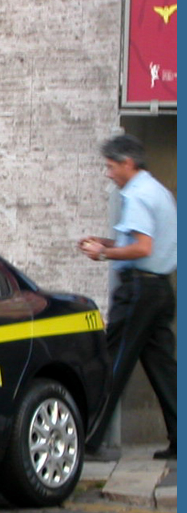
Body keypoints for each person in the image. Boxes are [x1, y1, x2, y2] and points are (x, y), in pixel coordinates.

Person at [78, 134, 177, 460]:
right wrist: (106, 242)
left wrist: (103, 255)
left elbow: (141, 247)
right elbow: (142, 241)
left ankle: (88, 440)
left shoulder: (137, 195)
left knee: (111, 362)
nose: (108, 173)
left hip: (139, 291)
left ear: (127, 163)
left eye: (110, 166)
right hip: (160, 288)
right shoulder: (158, 191)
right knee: (163, 368)